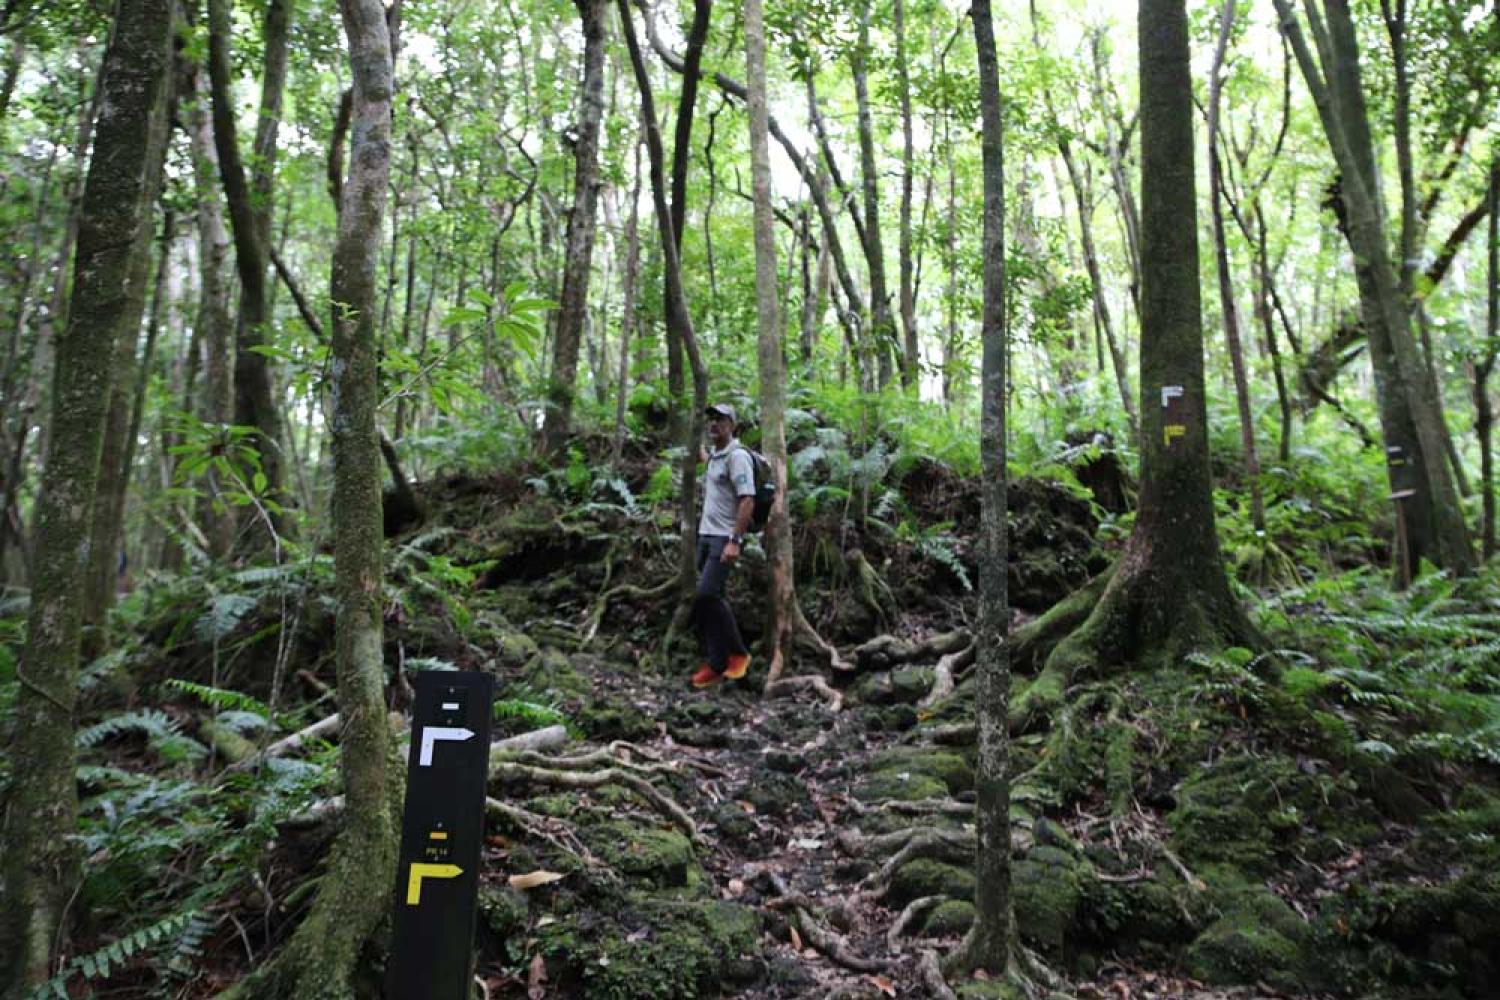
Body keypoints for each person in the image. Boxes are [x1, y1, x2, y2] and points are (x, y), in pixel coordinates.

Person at [691, 403, 755, 688]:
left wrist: (735, 540)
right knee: (708, 599)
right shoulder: (716, 457)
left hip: (723, 538)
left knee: (707, 595)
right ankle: (717, 663)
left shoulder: (737, 457)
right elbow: (709, 466)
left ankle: (738, 654)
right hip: (704, 536)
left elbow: (747, 499)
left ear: (732, 425)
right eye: (711, 419)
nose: (714, 424)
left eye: (720, 420)